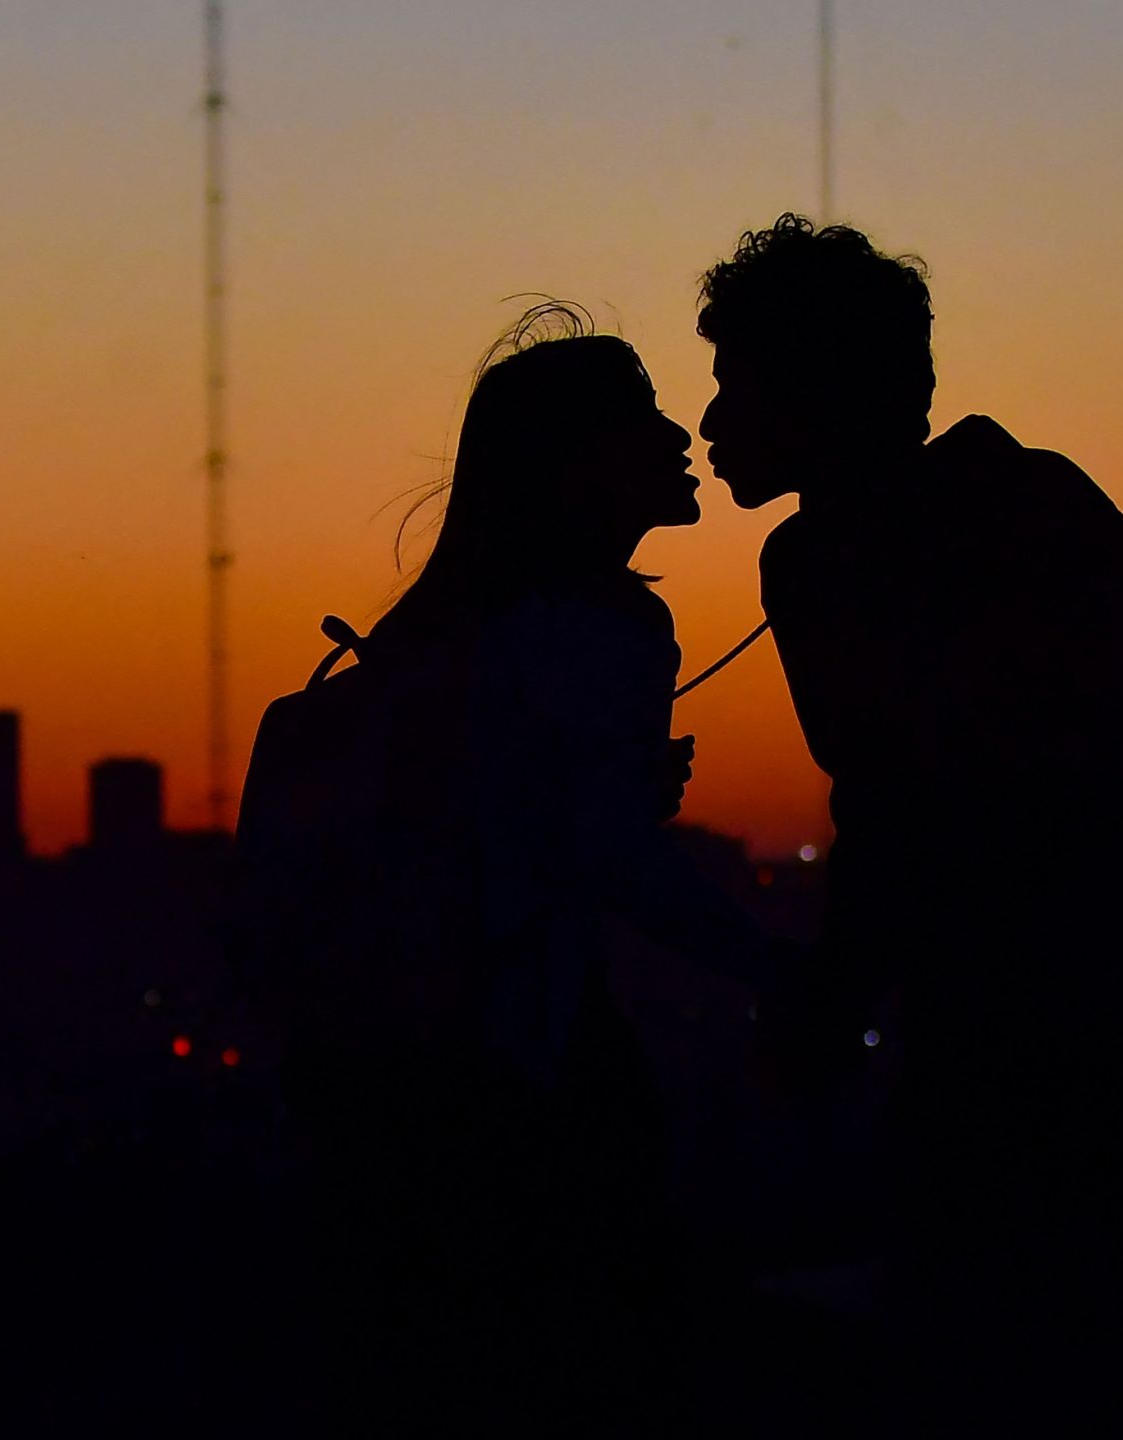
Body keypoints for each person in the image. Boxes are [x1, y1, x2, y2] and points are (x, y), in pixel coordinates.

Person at [694, 215, 1123, 1431]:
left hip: (1034, 1038)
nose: (711, 423)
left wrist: (832, 1001)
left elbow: (895, 813)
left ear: (815, 392)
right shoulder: (1012, 499)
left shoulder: (843, 556)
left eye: (736, 384)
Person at [235, 302, 768, 1431]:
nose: (678, 439)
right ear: (574, 467)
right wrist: (790, 972)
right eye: (641, 421)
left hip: (390, 1090)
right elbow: (616, 863)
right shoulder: (607, 627)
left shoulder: (440, 633)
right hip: (527, 1071)